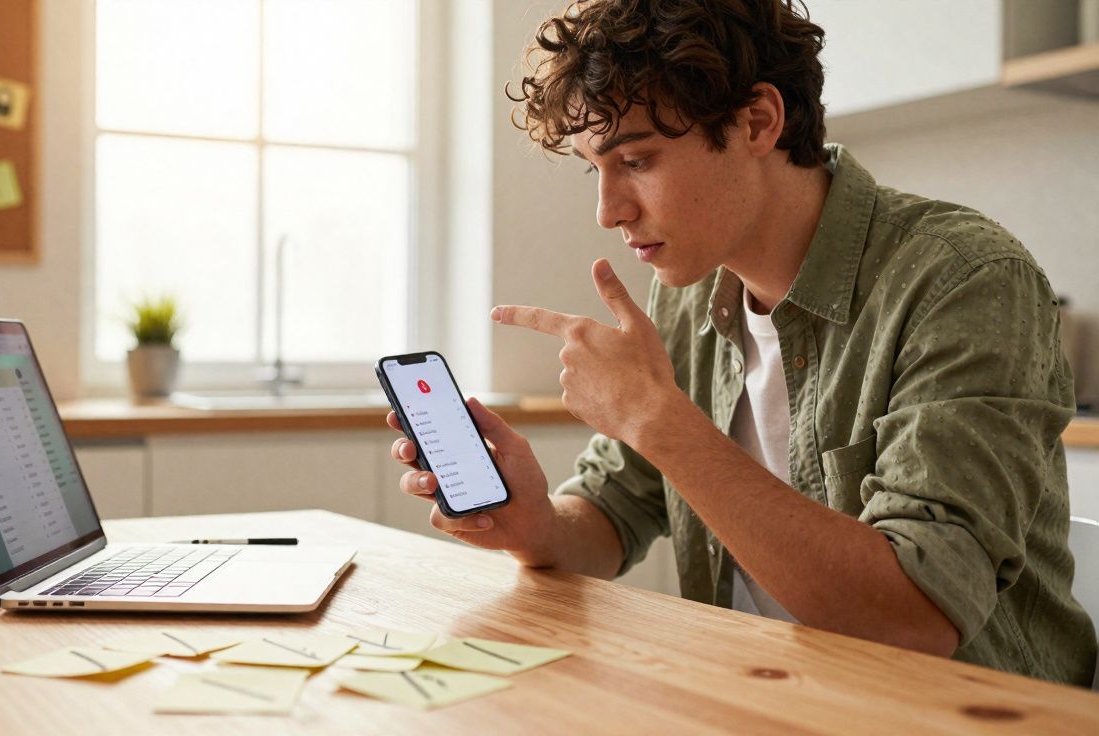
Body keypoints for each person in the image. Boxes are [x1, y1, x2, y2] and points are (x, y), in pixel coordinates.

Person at [386, 0, 1096, 686]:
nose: (608, 212)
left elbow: (916, 617)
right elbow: (619, 506)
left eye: (636, 160)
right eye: (594, 170)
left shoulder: (963, 281)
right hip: (759, 696)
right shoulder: (688, 288)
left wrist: (658, 420)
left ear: (758, 120)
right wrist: (536, 521)